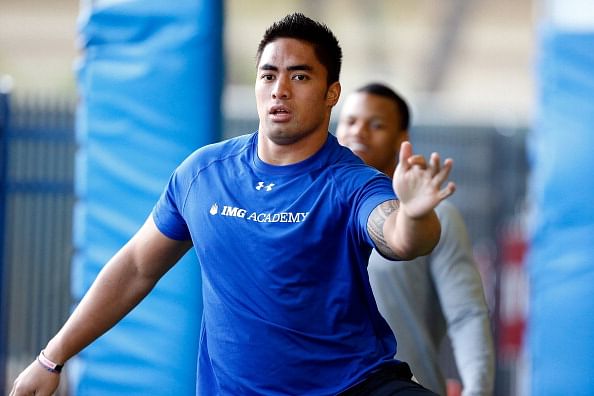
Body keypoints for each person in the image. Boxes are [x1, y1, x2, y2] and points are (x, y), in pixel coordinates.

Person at [10, 14, 456, 396]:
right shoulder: (203, 174)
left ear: (330, 93)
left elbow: (399, 238)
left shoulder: (350, 182)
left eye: (300, 76)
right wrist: (51, 359)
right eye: (268, 74)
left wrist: (415, 213)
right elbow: (135, 268)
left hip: (353, 385)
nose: (280, 89)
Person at [336, 83, 495, 396]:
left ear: (401, 139)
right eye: (350, 121)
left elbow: (466, 314)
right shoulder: (312, 210)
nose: (359, 132)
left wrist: (477, 388)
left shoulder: (436, 218)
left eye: (376, 124)